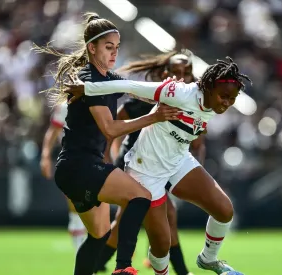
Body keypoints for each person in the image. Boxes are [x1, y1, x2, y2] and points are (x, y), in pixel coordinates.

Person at [65, 57, 251, 275]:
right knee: (162, 245)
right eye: (224, 97)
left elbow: (195, 130)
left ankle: (208, 259)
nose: (227, 103)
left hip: (178, 162)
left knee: (224, 210)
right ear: (209, 87)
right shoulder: (177, 92)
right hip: (145, 171)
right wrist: (87, 88)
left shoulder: (213, 104)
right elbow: (130, 86)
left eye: (232, 99)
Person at [33, 12, 182, 275]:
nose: (114, 53)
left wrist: (172, 91)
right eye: (108, 47)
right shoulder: (88, 80)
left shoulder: (108, 79)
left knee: (98, 236)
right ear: (92, 48)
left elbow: (141, 91)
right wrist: (155, 116)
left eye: (117, 48)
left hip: (74, 169)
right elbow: (110, 128)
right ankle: (123, 267)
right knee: (141, 196)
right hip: (81, 167)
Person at [95, 50, 204, 275]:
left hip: (161, 168)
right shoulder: (147, 99)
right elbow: (112, 127)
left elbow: (198, 143)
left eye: (187, 73)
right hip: (136, 164)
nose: (182, 77)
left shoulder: (194, 104)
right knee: (166, 215)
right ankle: (181, 271)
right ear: (166, 74)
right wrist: (108, 157)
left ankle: (96, 264)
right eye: (176, 72)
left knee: (127, 222)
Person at [40, 102, 87, 252]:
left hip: (96, 159)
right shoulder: (66, 106)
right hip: (72, 160)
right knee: (76, 208)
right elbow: (54, 130)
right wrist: (45, 155)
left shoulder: (102, 100)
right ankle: (80, 254)